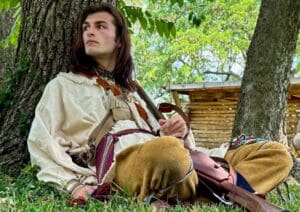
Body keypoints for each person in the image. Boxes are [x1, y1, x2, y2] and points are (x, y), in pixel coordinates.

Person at [27, 3, 293, 205]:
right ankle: (211, 193)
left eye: (100, 26)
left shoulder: (135, 93)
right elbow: (41, 141)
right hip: (125, 165)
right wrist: (73, 185)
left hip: (175, 159)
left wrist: (178, 132)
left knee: (278, 155)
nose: (89, 32)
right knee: (169, 153)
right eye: (86, 28)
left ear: (119, 39)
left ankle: (192, 195)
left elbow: (175, 143)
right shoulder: (63, 86)